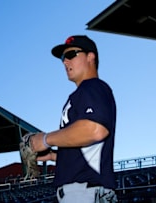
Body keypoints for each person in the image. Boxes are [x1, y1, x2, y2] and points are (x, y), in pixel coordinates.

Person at [30, 35, 117, 203]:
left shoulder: (93, 86)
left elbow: (95, 129)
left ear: (91, 57)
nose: (65, 62)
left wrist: (46, 139)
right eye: (63, 58)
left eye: (71, 55)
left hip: (85, 192)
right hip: (82, 192)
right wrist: (54, 156)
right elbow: (86, 148)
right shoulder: (81, 93)